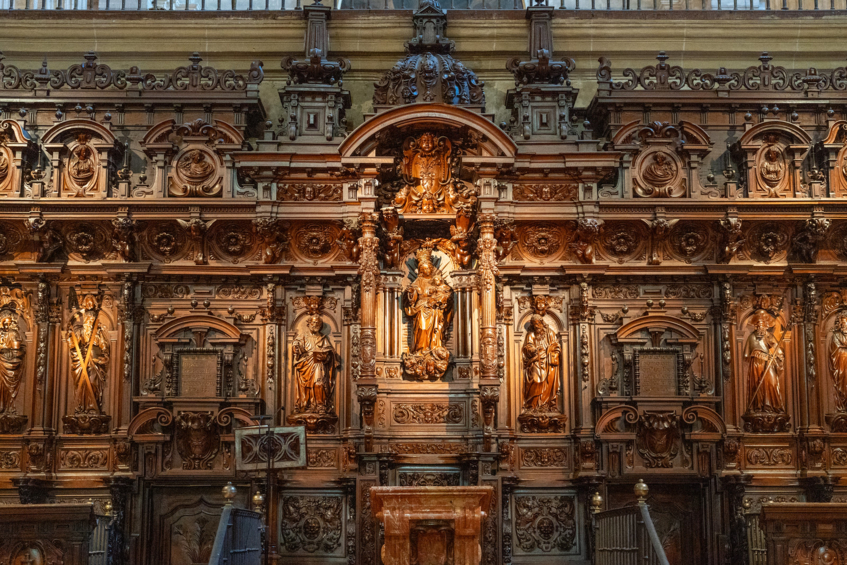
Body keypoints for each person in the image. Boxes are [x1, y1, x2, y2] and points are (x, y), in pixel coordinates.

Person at [292, 315, 339, 414]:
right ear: (309, 324)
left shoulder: (323, 338)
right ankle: (306, 405)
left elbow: (330, 353)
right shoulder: (302, 336)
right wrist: (296, 348)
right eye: (313, 322)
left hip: (318, 363)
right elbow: (296, 345)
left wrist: (325, 357)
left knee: (319, 382)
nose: (315, 325)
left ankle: (320, 405)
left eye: (318, 323)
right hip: (305, 364)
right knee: (307, 386)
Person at [743, 310, 785, 414]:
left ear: (765, 326)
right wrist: (758, 354)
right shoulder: (752, 337)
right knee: (758, 384)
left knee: (772, 383)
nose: (759, 327)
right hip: (757, 364)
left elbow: (776, 347)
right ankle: (759, 406)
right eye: (757, 325)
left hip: (768, 363)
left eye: (761, 325)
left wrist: (779, 355)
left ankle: (774, 406)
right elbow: (747, 354)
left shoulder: (768, 335)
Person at [522, 314, 560, 411]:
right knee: (535, 379)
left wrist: (550, 351)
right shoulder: (531, 335)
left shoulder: (550, 333)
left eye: (538, 324)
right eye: (534, 325)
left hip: (548, 363)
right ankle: (532, 405)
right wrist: (534, 350)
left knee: (548, 384)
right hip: (536, 361)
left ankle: (546, 405)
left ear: (542, 323)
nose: (536, 326)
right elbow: (527, 347)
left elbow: (556, 346)